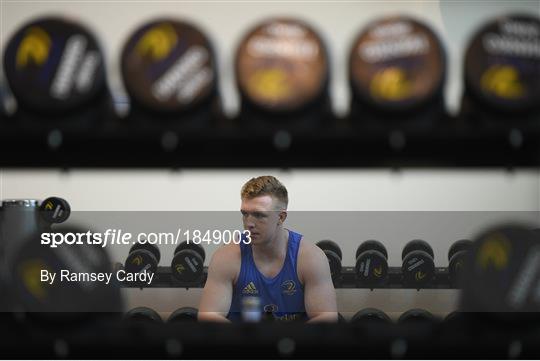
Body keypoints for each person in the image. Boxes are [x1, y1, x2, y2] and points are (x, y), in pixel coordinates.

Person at [198, 175, 337, 322]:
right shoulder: (226, 257)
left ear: (281, 217)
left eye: (259, 215)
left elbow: (326, 318)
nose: (249, 223)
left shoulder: (311, 258)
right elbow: (208, 316)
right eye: (245, 214)